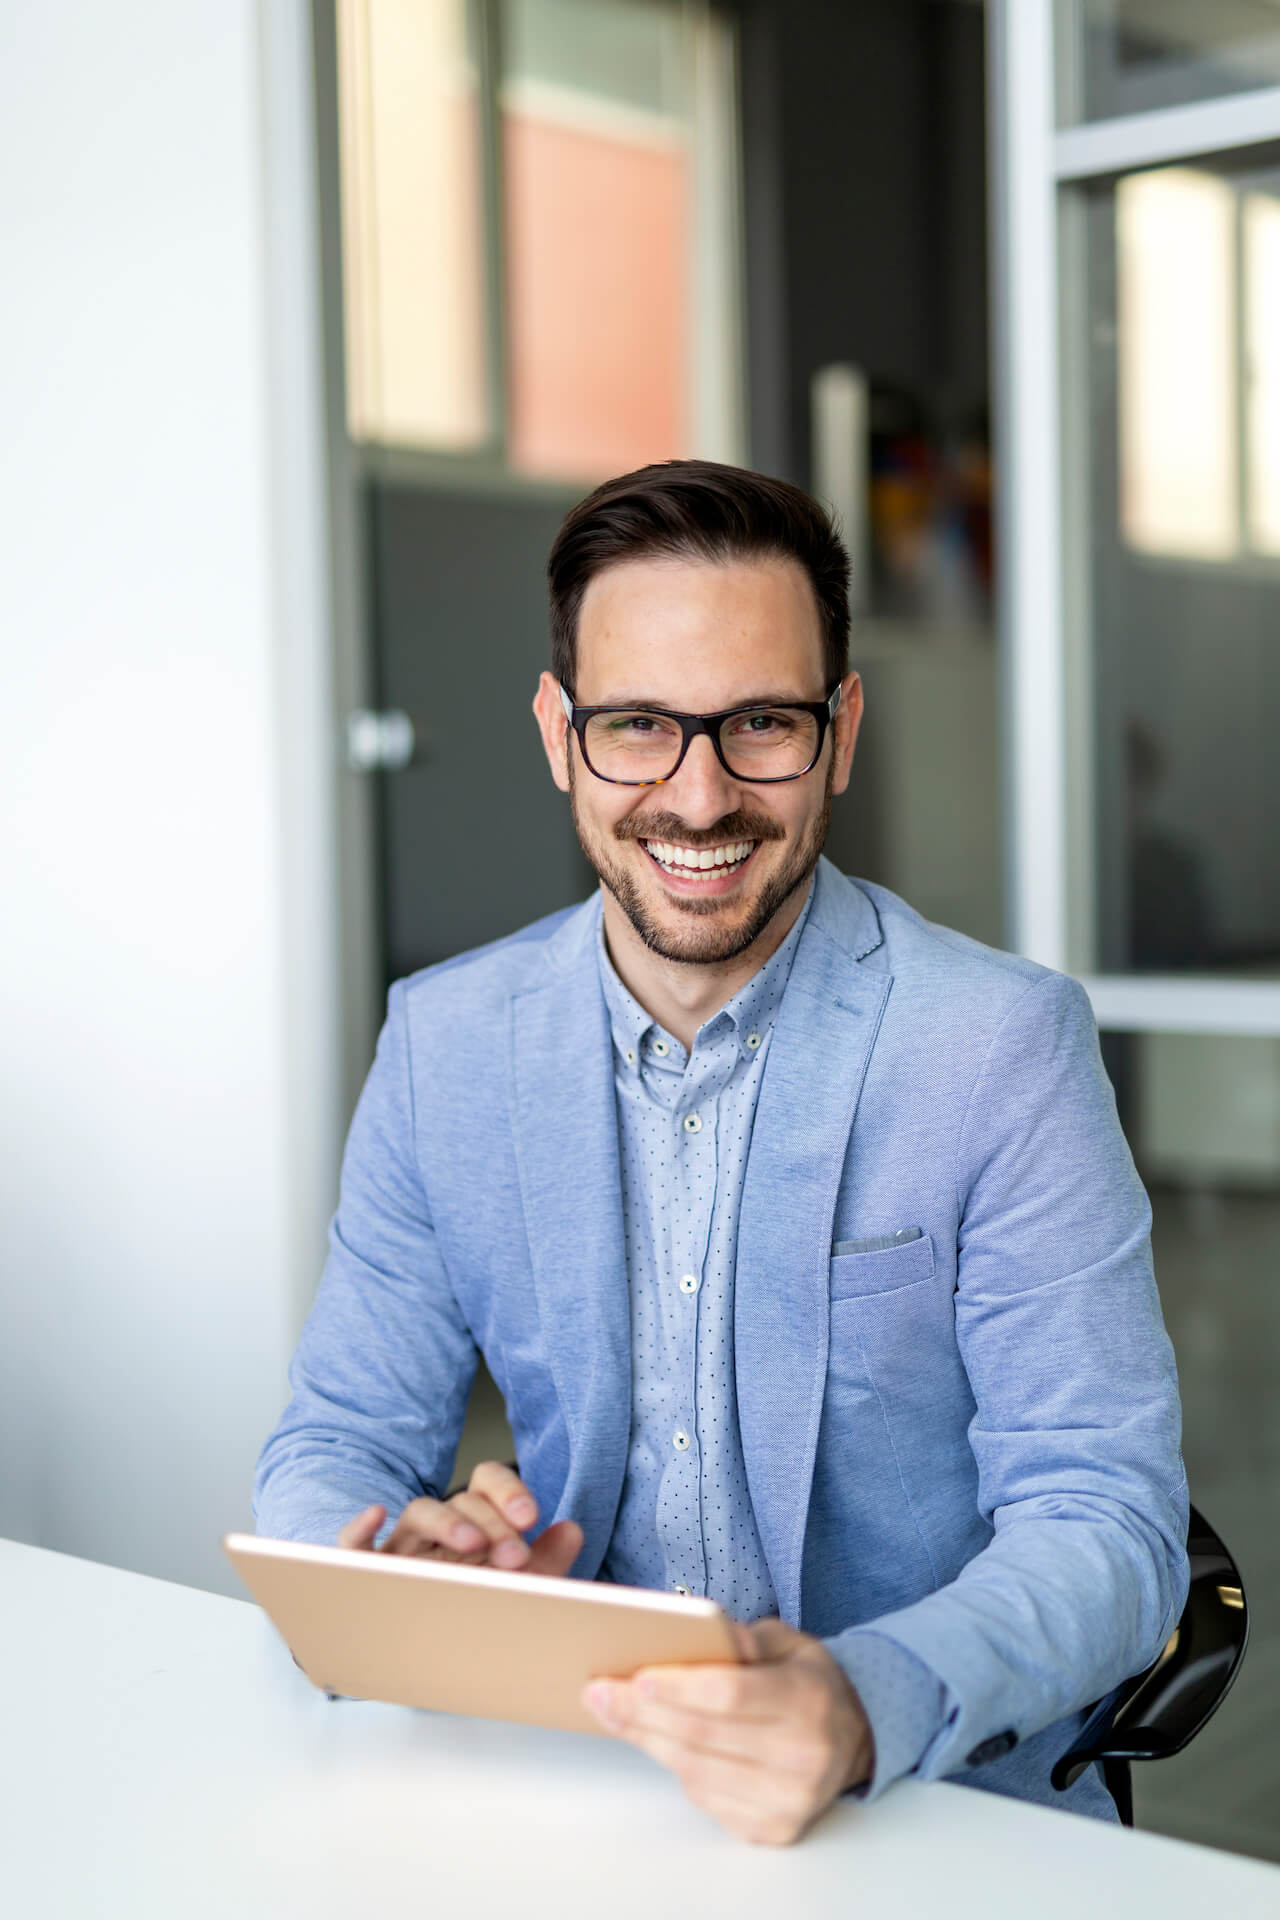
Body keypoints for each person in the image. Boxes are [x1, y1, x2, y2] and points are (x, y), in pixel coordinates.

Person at [254, 459, 1188, 1845]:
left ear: (842, 730)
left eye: (759, 722)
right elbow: (329, 1446)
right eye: (637, 725)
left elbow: (1109, 1522)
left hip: (929, 1804)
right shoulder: (444, 1045)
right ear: (559, 734)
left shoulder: (1000, 1048)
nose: (698, 799)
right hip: (574, 1784)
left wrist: (862, 1699)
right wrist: (390, 1555)